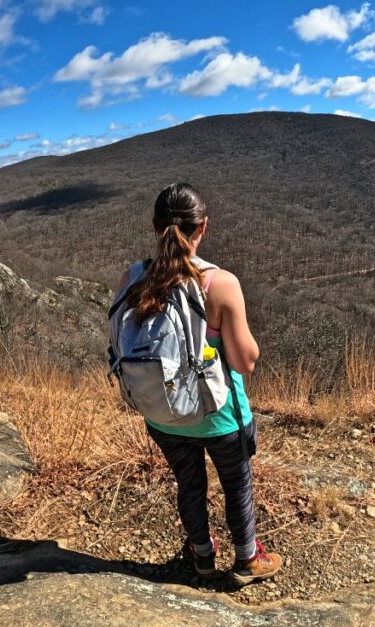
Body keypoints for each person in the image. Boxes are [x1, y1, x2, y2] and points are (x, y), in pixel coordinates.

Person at [115, 182, 282, 586]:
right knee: (236, 483)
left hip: (161, 414)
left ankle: (202, 555)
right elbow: (245, 361)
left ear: (155, 227)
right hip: (219, 416)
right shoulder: (219, 284)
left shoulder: (134, 277)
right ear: (202, 227)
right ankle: (248, 559)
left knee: (189, 483)